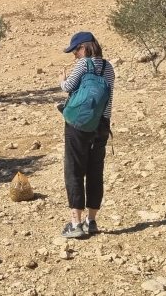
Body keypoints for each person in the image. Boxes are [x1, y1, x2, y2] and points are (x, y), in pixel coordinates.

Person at [58, 31, 115, 238]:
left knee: (74, 169)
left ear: (83, 47)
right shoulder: (109, 67)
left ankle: (76, 224)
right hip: (101, 124)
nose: (74, 55)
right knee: (95, 170)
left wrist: (62, 80)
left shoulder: (83, 64)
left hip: (78, 126)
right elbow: (108, 99)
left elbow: (69, 87)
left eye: (75, 50)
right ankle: (91, 221)